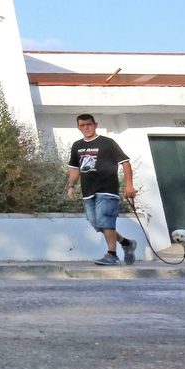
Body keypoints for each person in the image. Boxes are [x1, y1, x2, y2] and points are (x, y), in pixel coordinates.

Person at [65, 113, 137, 265]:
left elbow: (125, 162)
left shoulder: (107, 143)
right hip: (88, 191)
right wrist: (71, 186)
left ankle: (111, 254)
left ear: (95, 125)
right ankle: (126, 243)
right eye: (82, 125)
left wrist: (129, 185)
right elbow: (74, 169)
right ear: (78, 127)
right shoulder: (77, 146)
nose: (86, 128)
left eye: (89, 124)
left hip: (107, 188)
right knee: (96, 223)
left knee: (105, 220)